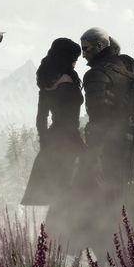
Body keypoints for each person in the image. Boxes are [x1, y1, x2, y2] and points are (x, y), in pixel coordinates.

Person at [76, 27, 134, 259]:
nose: (83, 54)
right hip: (127, 143)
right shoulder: (129, 69)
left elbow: (99, 117)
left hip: (106, 148)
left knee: (100, 200)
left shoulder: (94, 75)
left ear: (100, 46)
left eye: (86, 48)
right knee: (126, 196)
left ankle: (109, 256)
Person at [21, 38, 85, 240]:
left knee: (61, 193)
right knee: (70, 192)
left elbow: (41, 119)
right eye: (74, 58)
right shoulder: (67, 79)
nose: (76, 62)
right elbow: (60, 121)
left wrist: (46, 142)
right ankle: (61, 239)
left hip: (56, 142)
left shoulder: (47, 82)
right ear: (65, 57)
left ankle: (53, 240)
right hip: (69, 142)